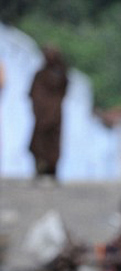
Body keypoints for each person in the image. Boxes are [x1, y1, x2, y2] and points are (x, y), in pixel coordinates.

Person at [29, 46, 68, 180]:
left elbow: (63, 92)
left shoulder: (60, 75)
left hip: (54, 116)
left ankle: (51, 170)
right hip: (41, 116)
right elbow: (32, 93)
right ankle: (40, 169)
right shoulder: (40, 75)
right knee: (39, 145)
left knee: (52, 144)